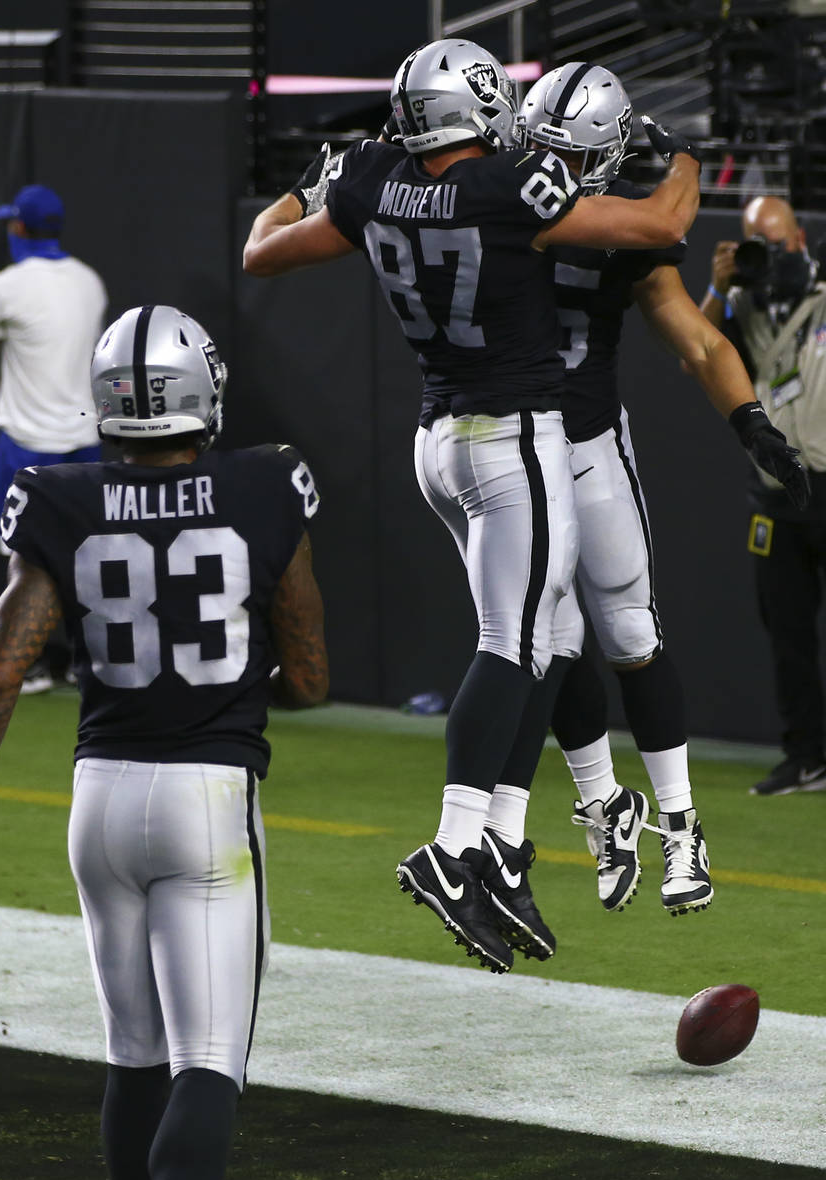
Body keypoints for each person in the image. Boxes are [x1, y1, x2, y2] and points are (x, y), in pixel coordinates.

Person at [243, 37, 702, 974]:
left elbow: (259, 254)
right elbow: (659, 226)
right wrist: (690, 152)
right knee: (519, 645)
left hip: (434, 444)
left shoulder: (369, 178)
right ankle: (461, 845)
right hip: (514, 437)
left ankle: (500, 841)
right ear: (478, 109)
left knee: (540, 637)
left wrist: (306, 184)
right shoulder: (506, 186)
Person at [0, 304, 328, 1180]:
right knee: (209, 1065)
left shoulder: (58, 498)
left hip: (99, 803)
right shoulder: (266, 485)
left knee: (134, 1058)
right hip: (209, 806)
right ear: (205, 395)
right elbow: (307, 679)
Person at [516, 64, 810, 915]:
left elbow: (700, 343)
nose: (548, 168)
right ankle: (607, 806)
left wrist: (752, 422)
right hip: (507, 452)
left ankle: (680, 825)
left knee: (630, 631)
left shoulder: (626, 235)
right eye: (539, 149)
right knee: (549, 640)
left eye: (566, 155)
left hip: (585, 446)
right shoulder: (495, 196)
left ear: (604, 158)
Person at [700, 195, 826, 795]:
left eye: (780, 242)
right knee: (788, 636)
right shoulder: (740, 302)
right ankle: (805, 758)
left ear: (800, 238)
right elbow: (696, 352)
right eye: (757, 243)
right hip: (775, 500)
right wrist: (718, 287)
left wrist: (821, 263)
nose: (772, 255)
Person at [0, 183, 108, 694]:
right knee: (82, 552)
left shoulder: (4, 286)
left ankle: (27, 663)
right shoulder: (89, 281)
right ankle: (79, 660)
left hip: (27, 442)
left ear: (20, 228)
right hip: (84, 441)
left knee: (21, 555)